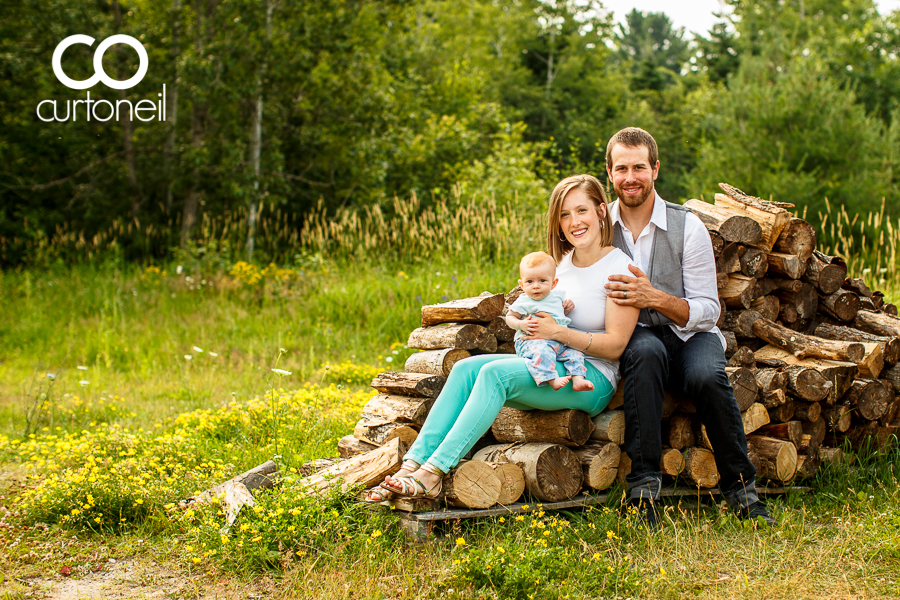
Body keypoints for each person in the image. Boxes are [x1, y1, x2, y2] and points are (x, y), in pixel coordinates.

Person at [365, 174, 639, 502]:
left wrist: (558, 332)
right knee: (466, 369)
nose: (574, 222)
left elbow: (617, 345)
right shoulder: (560, 266)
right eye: (564, 215)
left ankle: (433, 473)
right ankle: (411, 465)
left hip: (590, 378)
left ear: (601, 211)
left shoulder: (619, 267)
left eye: (581, 211)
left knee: (494, 375)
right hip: (542, 361)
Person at [602, 127, 775, 527]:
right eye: (622, 168)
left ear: (656, 169)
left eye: (640, 167)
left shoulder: (688, 226)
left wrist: (654, 297)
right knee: (644, 354)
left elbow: (709, 310)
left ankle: (742, 490)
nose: (631, 177)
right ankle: (644, 491)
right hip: (636, 335)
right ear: (609, 172)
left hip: (690, 333)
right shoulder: (598, 225)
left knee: (707, 375)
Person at [506, 251, 594, 392]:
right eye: (529, 281)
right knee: (542, 352)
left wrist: (566, 309)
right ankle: (551, 379)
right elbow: (509, 317)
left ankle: (578, 379)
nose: (536, 286)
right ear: (521, 284)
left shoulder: (557, 297)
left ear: (553, 283)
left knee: (575, 353)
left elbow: (557, 315)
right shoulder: (524, 300)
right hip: (532, 342)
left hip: (559, 343)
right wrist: (521, 324)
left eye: (542, 281)